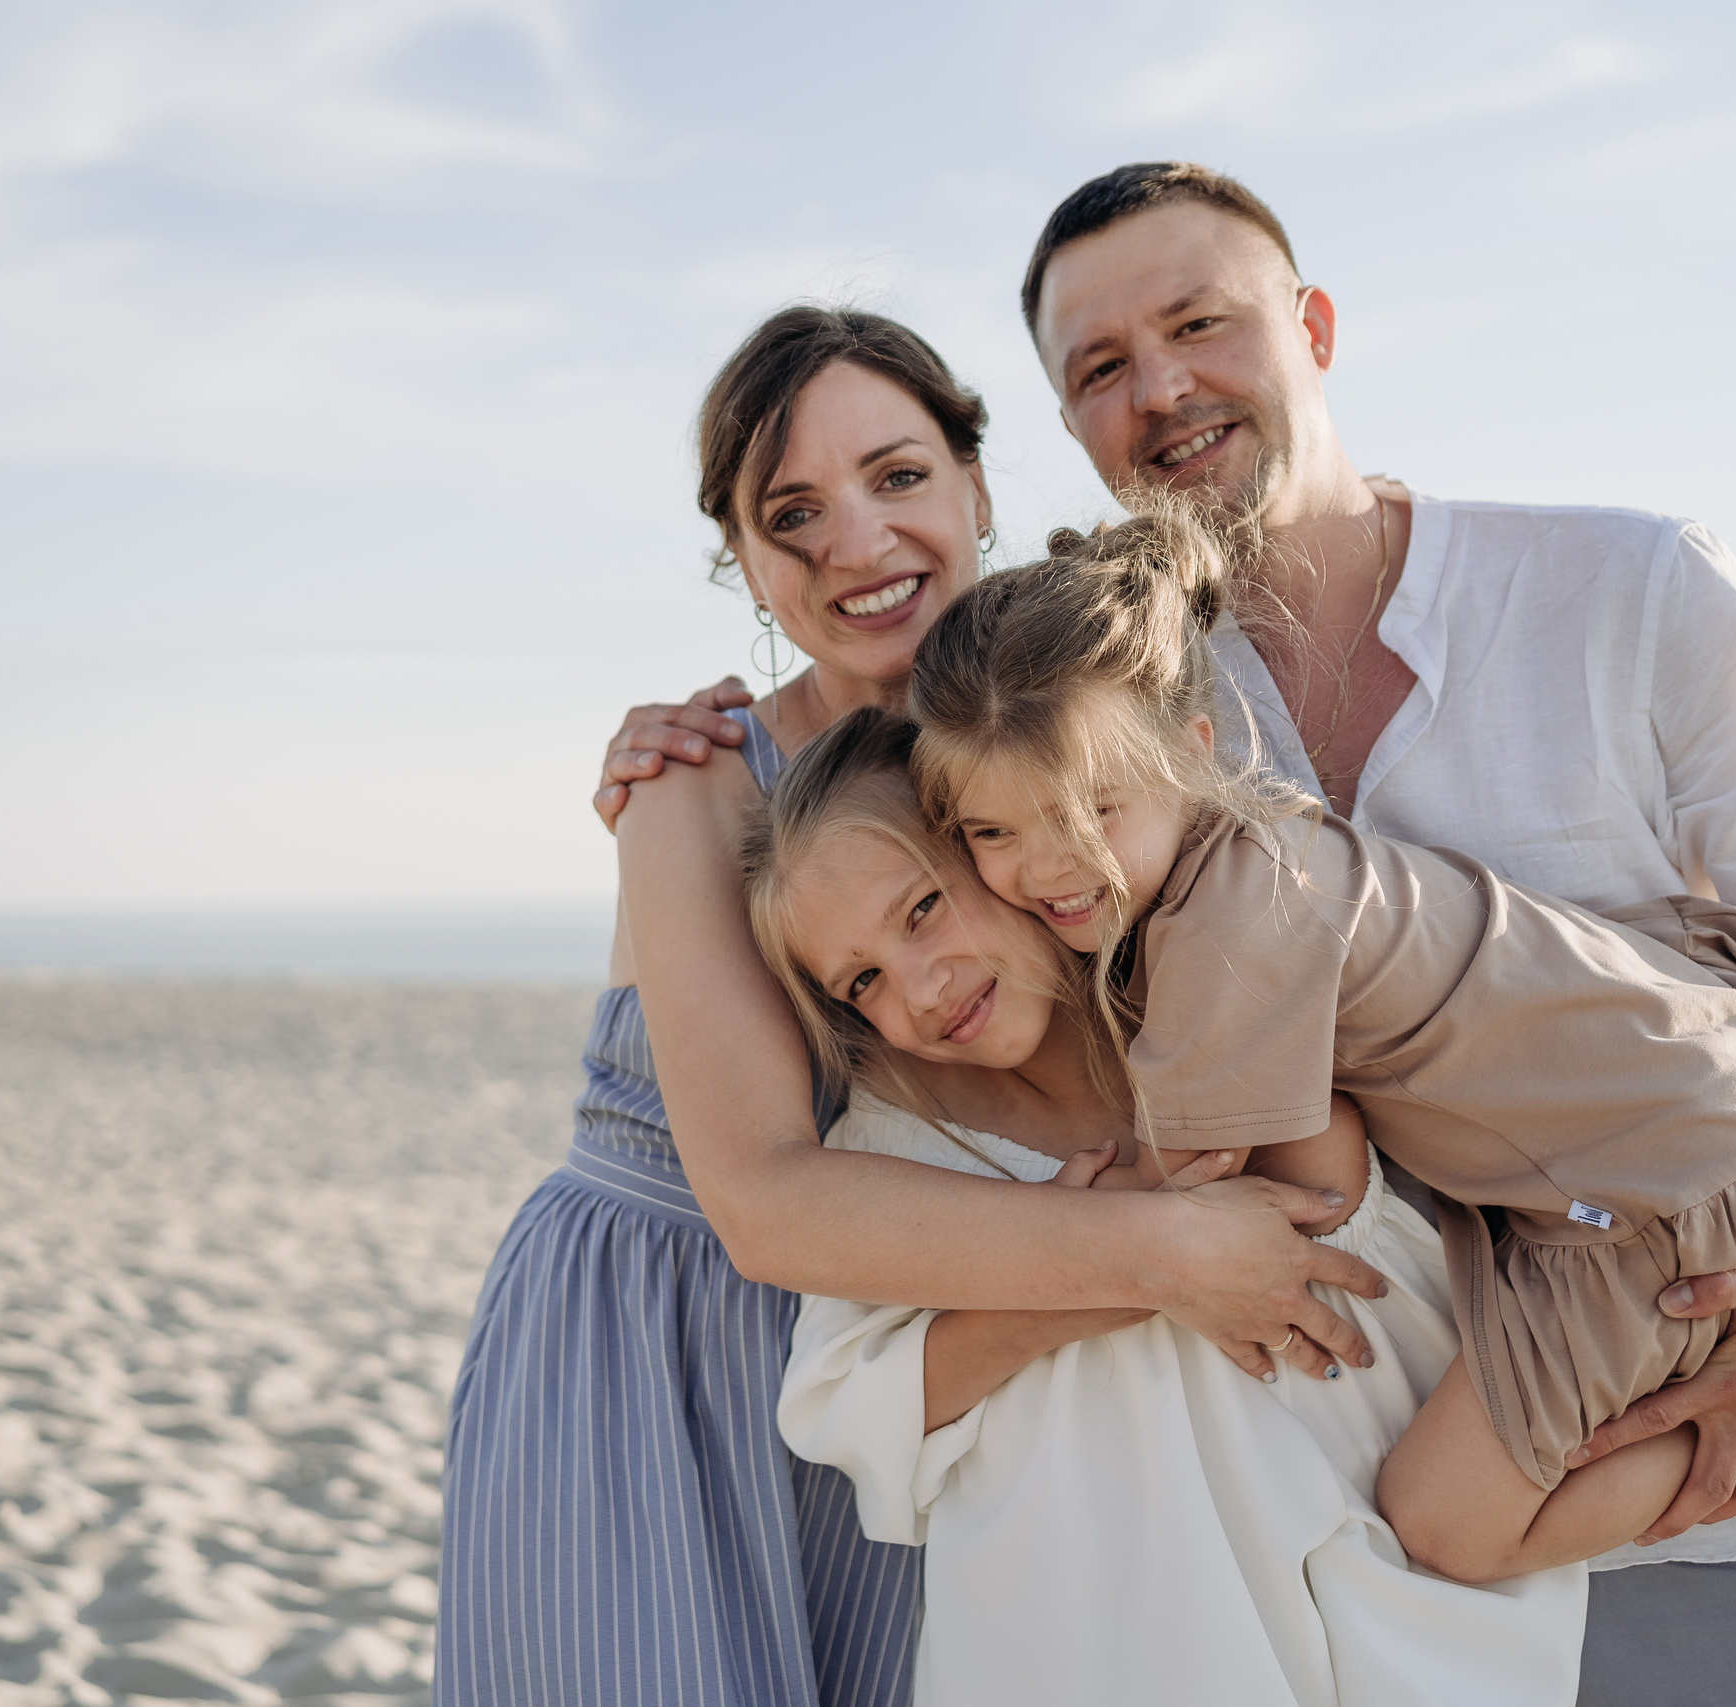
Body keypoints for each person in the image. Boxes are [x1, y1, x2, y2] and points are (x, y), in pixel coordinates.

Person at [599, 159, 1736, 1702]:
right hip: (1396, 1502)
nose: (1160, 388)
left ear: (1316, 326)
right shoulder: (1087, 702)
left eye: (1199, 322)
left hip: (1709, 1494)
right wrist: (700, 737)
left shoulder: (1625, 587)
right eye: (1099, 368)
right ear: (1067, 428)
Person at [443, 305, 1389, 1706]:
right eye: (792, 514)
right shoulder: (699, 778)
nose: (857, 542)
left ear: (977, 485)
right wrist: (1161, 1242)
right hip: (662, 1332)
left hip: (924, 1327)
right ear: (743, 562)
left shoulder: (1062, 724)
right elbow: (762, 1197)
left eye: (896, 476)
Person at [906, 509, 1736, 1592]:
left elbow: (1302, 1186)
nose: (1047, 867)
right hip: (1683, 1092)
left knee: (1446, 1525)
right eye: (990, 833)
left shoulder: (1228, 932)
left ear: (1193, 754)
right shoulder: (1249, 851)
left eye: (1089, 809)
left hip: (1658, 1181)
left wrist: (1088, 1221)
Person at [743, 705, 1585, 1705]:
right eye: (863, 980)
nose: (919, 989)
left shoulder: (1216, 1020)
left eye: (923, 907)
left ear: (1001, 850)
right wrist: (1102, 1266)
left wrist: (1135, 1227)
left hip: (1349, 1583)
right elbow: (855, 1405)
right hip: (1082, 1645)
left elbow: (1319, 1216)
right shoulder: (891, 1148)